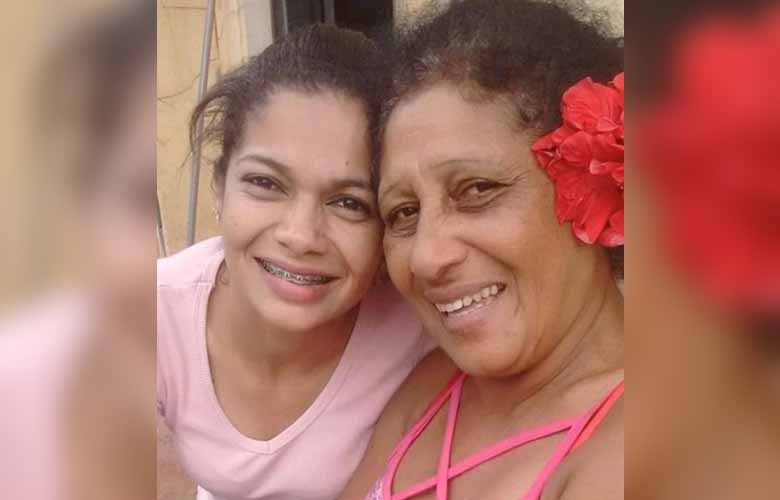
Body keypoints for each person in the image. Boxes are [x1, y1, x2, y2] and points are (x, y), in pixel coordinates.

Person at [340, 1, 624, 498]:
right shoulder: (434, 386)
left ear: (596, 186)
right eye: (403, 212)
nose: (427, 257)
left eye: (476, 189)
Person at [157, 24, 432, 500]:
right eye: (266, 183)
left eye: (349, 203)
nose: (301, 236)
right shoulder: (151, 316)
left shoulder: (423, 329)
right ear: (220, 188)